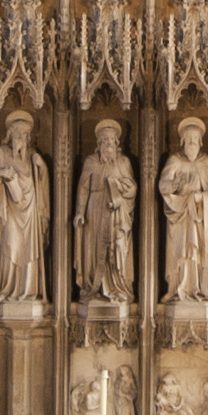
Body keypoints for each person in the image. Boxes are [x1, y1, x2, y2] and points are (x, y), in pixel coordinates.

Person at [0, 113, 50, 303]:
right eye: (17, 134)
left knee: (30, 250)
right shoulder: (1, 154)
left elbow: (42, 184)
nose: (21, 139)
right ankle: (6, 289)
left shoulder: (32, 157)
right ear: (10, 134)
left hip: (30, 212)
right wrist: (1, 173)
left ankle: (29, 292)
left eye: (24, 135)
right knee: (11, 245)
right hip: (10, 212)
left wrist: (43, 168)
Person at [158, 117, 208, 303]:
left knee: (199, 252)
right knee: (180, 253)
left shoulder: (206, 162)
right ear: (182, 140)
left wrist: (203, 197)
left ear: (201, 141)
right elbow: (163, 184)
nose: (192, 141)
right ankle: (178, 289)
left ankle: (202, 287)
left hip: (200, 217)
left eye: (195, 138)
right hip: (180, 216)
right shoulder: (174, 160)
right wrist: (174, 184)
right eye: (189, 138)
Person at [78, 119, 138, 302]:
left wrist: (120, 190)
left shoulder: (123, 162)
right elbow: (83, 188)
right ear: (99, 144)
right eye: (104, 141)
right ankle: (94, 287)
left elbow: (133, 188)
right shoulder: (91, 162)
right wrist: (80, 212)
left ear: (116, 143)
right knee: (93, 248)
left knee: (117, 248)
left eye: (111, 140)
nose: (108, 144)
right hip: (94, 210)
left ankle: (118, 287)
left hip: (117, 216)